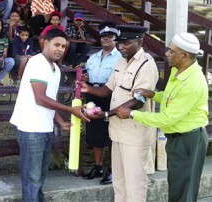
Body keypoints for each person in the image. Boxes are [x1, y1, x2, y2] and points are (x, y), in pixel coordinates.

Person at [115, 32, 209, 202]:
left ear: (184, 56)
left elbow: (167, 119)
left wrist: (132, 114)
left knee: (183, 193)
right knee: (177, 186)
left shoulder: (193, 83)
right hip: (178, 138)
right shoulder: (179, 70)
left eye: (172, 51)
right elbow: (170, 97)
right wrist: (153, 94)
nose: (167, 54)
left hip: (188, 140)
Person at [79, 25, 159, 202]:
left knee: (135, 184)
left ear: (140, 41)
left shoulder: (147, 64)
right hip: (117, 133)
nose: (121, 47)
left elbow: (139, 99)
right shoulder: (121, 61)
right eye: (120, 43)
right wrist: (88, 88)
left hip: (134, 135)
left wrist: (107, 114)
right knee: (119, 182)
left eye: (126, 43)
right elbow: (109, 88)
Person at [10, 28, 89, 202]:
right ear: (46, 43)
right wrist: (70, 110)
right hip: (30, 128)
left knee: (40, 176)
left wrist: (60, 121)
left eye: (63, 46)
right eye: (56, 45)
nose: (60, 49)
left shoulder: (55, 69)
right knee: (32, 177)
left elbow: (50, 99)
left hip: (44, 127)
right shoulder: (37, 63)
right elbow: (40, 98)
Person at [82, 22, 122, 185]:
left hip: (111, 97)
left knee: (112, 134)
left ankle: (113, 170)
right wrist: (85, 79)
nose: (106, 39)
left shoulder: (121, 58)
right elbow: (88, 77)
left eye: (110, 37)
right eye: (103, 36)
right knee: (95, 133)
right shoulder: (93, 57)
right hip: (93, 96)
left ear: (115, 39)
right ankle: (98, 166)